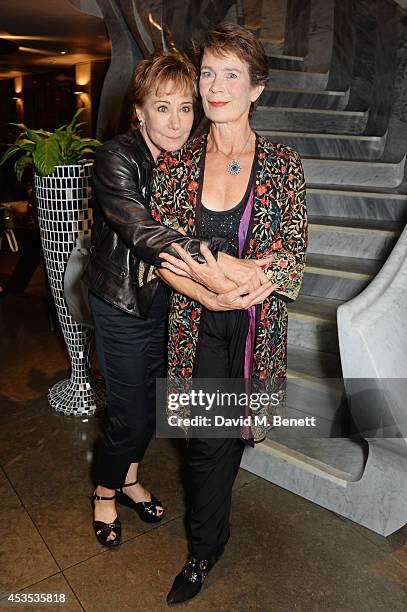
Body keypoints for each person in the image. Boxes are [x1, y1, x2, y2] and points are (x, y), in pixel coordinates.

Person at [82, 49, 271, 548]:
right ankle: (105, 491)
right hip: (122, 304)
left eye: (185, 108)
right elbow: (146, 232)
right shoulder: (116, 157)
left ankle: (129, 479)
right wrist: (226, 265)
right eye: (161, 108)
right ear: (138, 110)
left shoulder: (191, 160)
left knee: (158, 409)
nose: (175, 121)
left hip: (170, 302)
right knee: (133, 415)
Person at [149, 24, 308, 604]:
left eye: (231, 74)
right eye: (208, 73)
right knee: (203, 441)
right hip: (194, 325)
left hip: (256, 327)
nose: (215, 87)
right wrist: (211, 286)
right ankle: (208, 537)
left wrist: (231, 274)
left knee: (226, 439)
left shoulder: (284, 164)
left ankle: (202, 549)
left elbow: (292, 254)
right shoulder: (177, 162)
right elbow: (164, 254)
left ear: (256, 88)